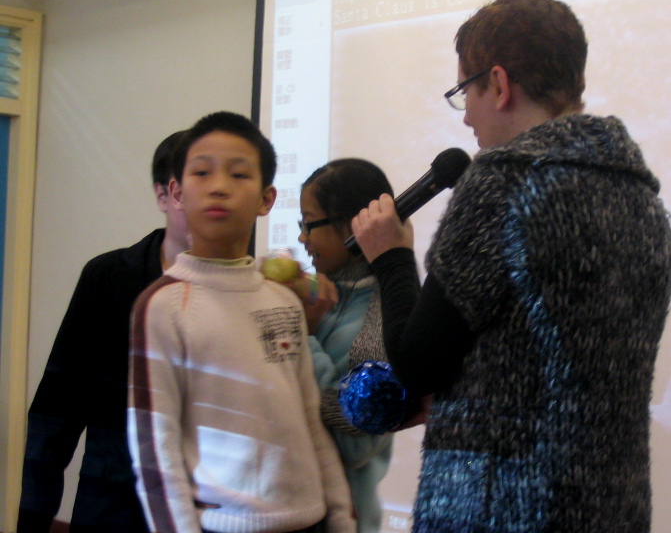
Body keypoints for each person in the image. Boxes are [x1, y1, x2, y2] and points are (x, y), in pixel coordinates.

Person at [351, 0, 671, 533]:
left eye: (465, 92)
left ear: (499, 84)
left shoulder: (504, 181)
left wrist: (390, 257)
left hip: (501, 509)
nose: (465, 119)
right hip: (611, 506)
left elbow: (418, 364)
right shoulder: (641, 196)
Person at [127, 111, 355, 533]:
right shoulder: (162, 305)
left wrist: (341, 517)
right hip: (222, 524)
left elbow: (310, 420)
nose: (218, 186)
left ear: (266, 199)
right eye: (202, 172)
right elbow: (155, 446)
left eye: (238, 174)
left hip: (310, 519)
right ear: (177, 192)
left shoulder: (282, 299)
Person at [17, 131, 191, 533]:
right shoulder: (109, 276)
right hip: (113, 501)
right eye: (196, 179)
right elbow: (57, 406)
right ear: (165, 193)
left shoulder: (257, 290)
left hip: (211, 505)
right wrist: (30, 518)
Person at [298, 159, 396, 533]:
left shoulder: (383, 314)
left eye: (309, 224)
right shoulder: (318, 292)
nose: (302, 239)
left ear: (352, 224)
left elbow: (355, 442)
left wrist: (304, 336)